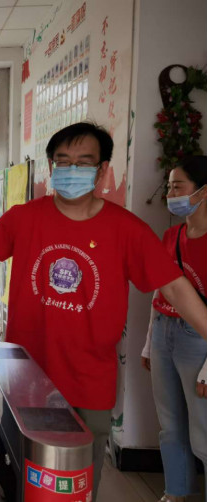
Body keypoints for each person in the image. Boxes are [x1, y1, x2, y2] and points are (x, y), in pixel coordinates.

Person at [0, 122, 208, 501]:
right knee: (18, 469)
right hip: (26, 374)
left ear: (102, 170)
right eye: (63, 161)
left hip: (90, 379)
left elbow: (175, 286)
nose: (71, 170)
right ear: (51, 167)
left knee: (76, 480)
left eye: (83, 162)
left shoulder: (126, 229)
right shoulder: (24, 217)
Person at [142, 156, 207, 502]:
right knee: (170, 423)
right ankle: (176, 492)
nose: (171, 195)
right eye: (169, 187)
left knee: (203, 427)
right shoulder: (172, 235)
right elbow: (160, 290)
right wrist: (148, 343)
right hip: (164, 331)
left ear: (203, 191)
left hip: (199, 341)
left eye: (178, 187)